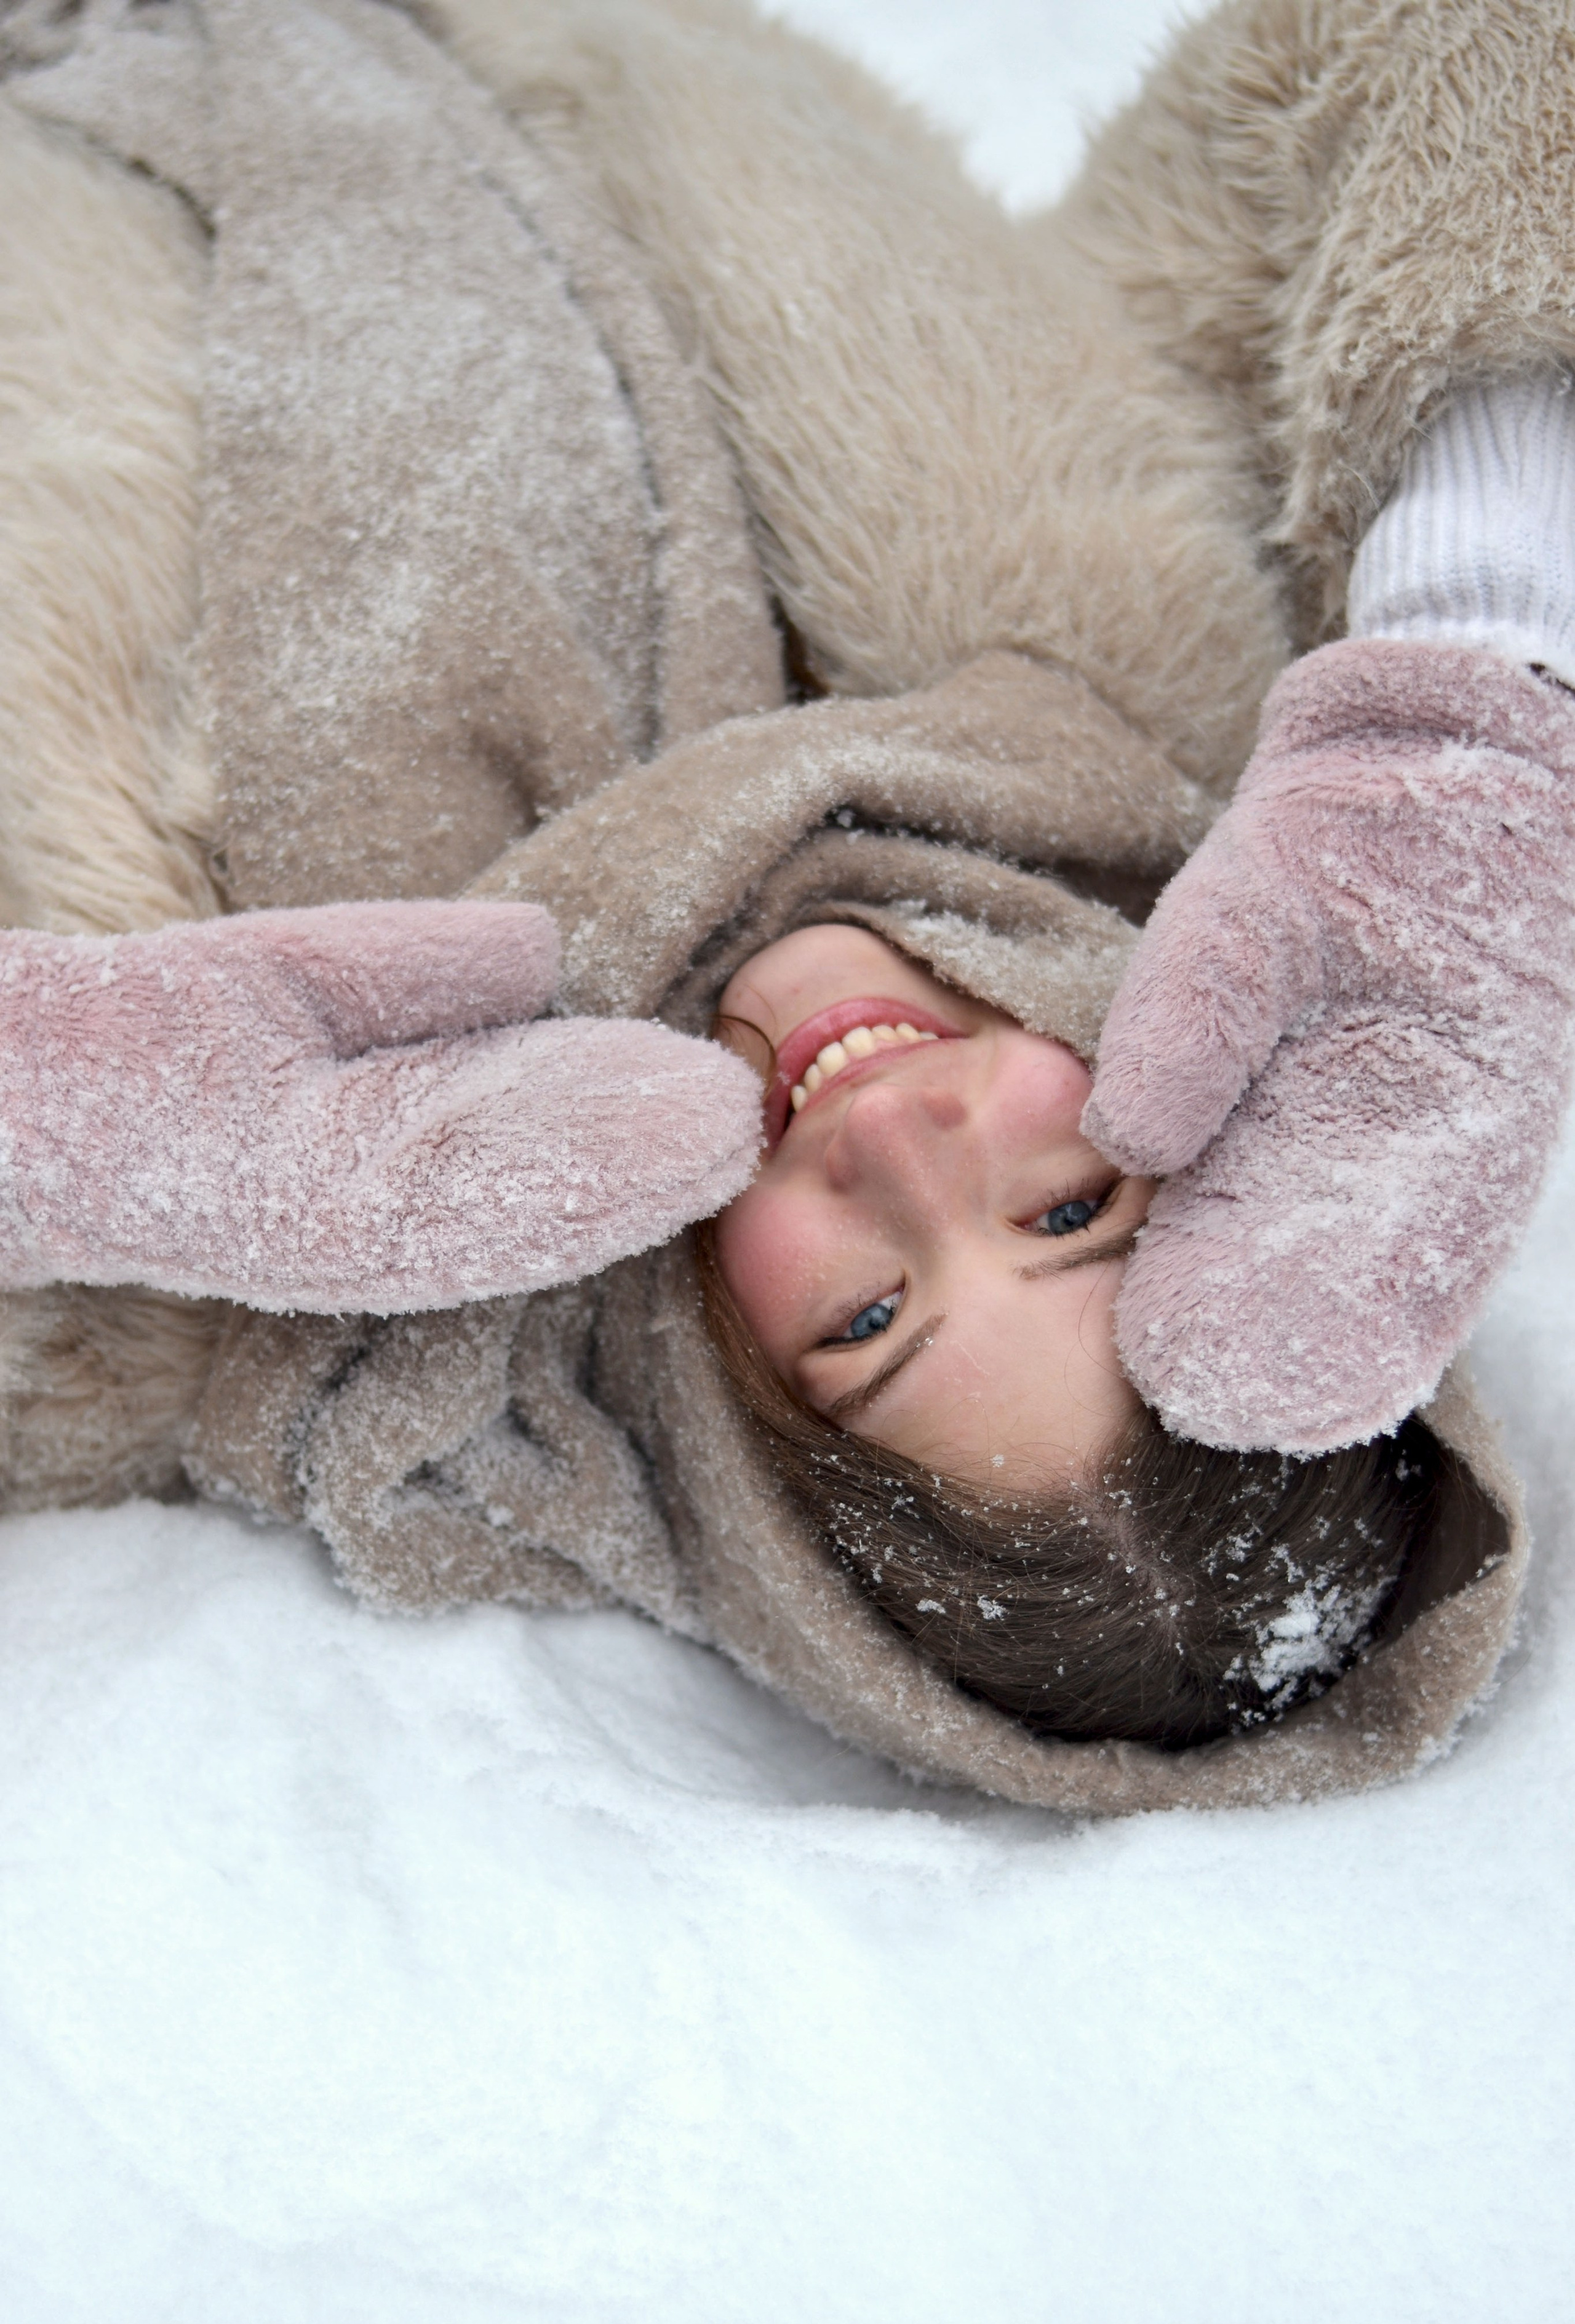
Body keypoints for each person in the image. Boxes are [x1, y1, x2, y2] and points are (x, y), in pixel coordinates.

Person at [0, 0, 1545, 1812]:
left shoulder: (181, 1267)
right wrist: (1482, 686)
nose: (898, 1147)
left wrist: (48, 1111)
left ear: (729, 1455)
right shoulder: (1154, 693)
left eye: (866, 1325)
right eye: (1070, 1202)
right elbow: (1438, 53)